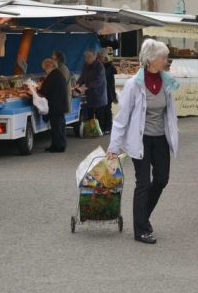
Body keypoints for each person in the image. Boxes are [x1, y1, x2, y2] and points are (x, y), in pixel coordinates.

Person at [107, 39, 179, 245]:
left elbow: (169, 113)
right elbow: (122, 118)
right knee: (143, 182)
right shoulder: (134, 84)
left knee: (162, 180)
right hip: (140, 140)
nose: (167, 60)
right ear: (151, 60)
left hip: (160, 139)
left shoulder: (166, 82)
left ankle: (142, 216)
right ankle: (141, 229)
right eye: (163, 57)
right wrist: (114, 147)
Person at [40, 58, 69, 153]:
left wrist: (38, 91)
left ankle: (59, 147)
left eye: (45, 68)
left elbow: (45, 90)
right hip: (60, 105)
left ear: (49, 66)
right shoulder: (58, 74)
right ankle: (56, 145)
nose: (44, 70)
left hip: (56, 106)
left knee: (56, 127)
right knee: (59, 127)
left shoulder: (53, 76)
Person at [76, 49, 108, 124]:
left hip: (99, 94)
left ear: (95, 56)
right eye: (86, 57)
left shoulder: (100, 66)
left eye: (89, 56)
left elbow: (98, 81)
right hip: (89, 95)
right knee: (89, 114)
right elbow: (82, 77)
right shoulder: (85, 65)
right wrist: (78, 84)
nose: (87, 59)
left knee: (99, 115)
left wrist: (86, 87)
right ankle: (91, 130)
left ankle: (101, 130)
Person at [98, 47, 118, 134]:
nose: (99, 59)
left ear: (104, 57)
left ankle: (108, 127)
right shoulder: (104, 66)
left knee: (106, 109)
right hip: (103, 91)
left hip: (108, 91)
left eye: (100, 57)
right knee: (102, 109)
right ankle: (103, 127)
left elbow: (104, 76)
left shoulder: (109, 67)